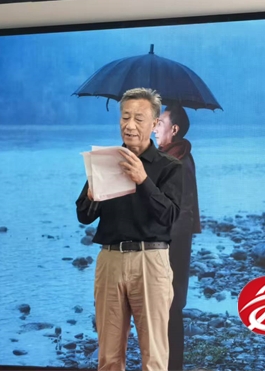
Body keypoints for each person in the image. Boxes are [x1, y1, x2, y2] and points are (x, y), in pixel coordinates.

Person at [76, 88, 183, 371]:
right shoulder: (105, 160)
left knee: (154, 357)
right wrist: (92, 194)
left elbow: (170, 216)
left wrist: (143, 180)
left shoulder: (169, 166)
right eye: (125, 117)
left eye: (138, 118)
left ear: (155, 123)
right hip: (110, 260)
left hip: (151, 261)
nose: (130, 125)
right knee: (109, 357)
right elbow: (84, 216)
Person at [153, 104, 201, 371]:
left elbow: (181, 211)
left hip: (171, 245)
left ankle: (171, 366)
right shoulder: (173, 157)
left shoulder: (178, 161)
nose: (154, 127)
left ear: (174, 129)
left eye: (159, 123)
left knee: (169, 309)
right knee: (168, 309)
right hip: (172, 242)